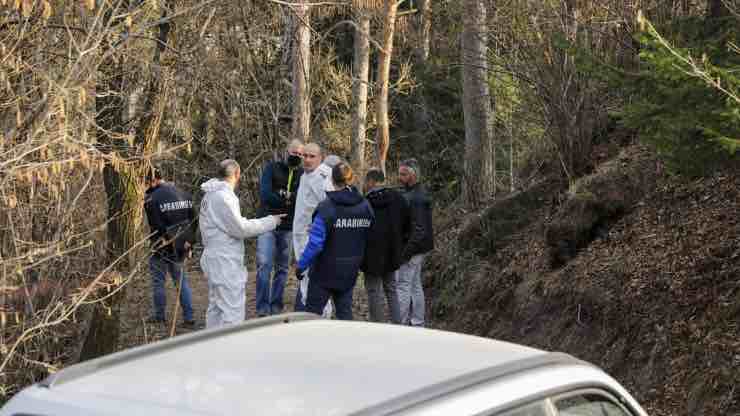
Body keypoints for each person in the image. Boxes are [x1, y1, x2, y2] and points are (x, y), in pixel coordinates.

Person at [199, 159, 284, 328]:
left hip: (216, 259)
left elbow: (232, 223)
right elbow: (240, 229)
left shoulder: (211, 194)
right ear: (237, 175)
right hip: (224, 262)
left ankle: (212, 347)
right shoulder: (223, 197)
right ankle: (230, 350)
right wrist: (271, 221)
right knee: (232, 310)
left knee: (216, 307)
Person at [295, 163, 374, 320]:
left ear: (332, 179)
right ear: (351, 179)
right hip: (350, 269)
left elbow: (315, 244)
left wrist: (301, 265)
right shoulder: (365, 206)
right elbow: (368, 234)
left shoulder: (326, 207)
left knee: (312, 316)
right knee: (345, 314)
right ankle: (346, 344)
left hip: (324, 272)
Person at [255, 140, 304, 317]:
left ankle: (276, 306)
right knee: (264, 265)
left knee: (282, 268)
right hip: (267, 222)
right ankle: (262, 308)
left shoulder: (303, 174)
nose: (296, 156)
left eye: (300, 154)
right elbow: (266, 194)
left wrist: (284, 196)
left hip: (288, 226)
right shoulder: (271, 168)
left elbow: (301, 199)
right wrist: (288, 199)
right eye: (294, 152)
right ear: (287, 151)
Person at [143, 166, 197, 328]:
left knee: (158, 282)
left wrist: (167, 241)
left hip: (161, 246)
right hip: (181, 245)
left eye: (145, 182)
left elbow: (157, 226)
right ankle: (189, 317)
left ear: (152, 181)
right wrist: (189, 243)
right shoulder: (184, 193)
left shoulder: (152, 199)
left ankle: (160, 316)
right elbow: (194, 221)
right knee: (181, 282)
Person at [361, 168, 410, 323]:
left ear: (370, 182)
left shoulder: (364, 202)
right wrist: (399, 245)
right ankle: (397, 324)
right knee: (391, 290)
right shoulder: (399, 198)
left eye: (365, 182)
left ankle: (377, 327)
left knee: (374, 292)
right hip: (392, 253)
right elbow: (407, 225)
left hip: (371, 256)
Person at [291, 143, 333, 312]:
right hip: (301, 237)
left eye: (311, 156)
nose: (307, 160)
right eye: (305, 156)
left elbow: (330, 206)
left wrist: (317, 227)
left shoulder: (323, 177)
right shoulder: (305, 175)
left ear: (320, 158)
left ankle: (321, 321)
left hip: (312, 239)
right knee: (305, 284)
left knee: (315, 285)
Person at [397, 158, 434, 327]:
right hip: (418, 247)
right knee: (414, 284)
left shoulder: (417, 197)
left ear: (412, 175)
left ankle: (402, 323)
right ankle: (418, 321)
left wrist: (406, 252)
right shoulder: (415, 193)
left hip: (413, 247)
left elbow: (419, 229)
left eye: (403, 174)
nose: (400, 177)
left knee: (404, 285)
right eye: (400, 173)